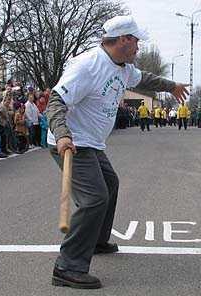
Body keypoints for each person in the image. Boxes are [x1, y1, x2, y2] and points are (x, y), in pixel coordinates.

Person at [46, 15, 189, 289]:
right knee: (94, 199)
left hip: (92, 142)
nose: (139, 46)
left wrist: (171, 86)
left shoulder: (123, 67)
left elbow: (144, 78)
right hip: (72, 143)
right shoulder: (88, 65)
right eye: (136, 40)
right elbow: (55, 102)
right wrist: (63, 135)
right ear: (123, 39)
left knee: (110, 184)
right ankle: (67, 266)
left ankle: (97, 240)